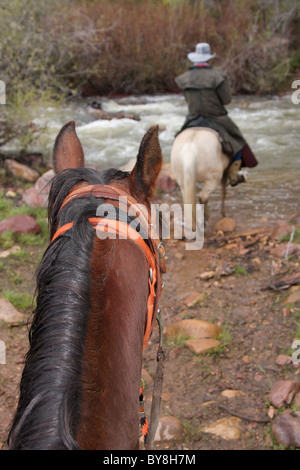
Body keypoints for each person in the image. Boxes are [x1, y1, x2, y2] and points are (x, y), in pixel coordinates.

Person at [175, 43, 258, 186]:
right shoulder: (218, 76)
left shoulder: (184, 78)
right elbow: (226, 100)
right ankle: (233, 175)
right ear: (209, 59)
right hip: (216, 117)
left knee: (178, 139)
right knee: (237, 140)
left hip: (193, 117)